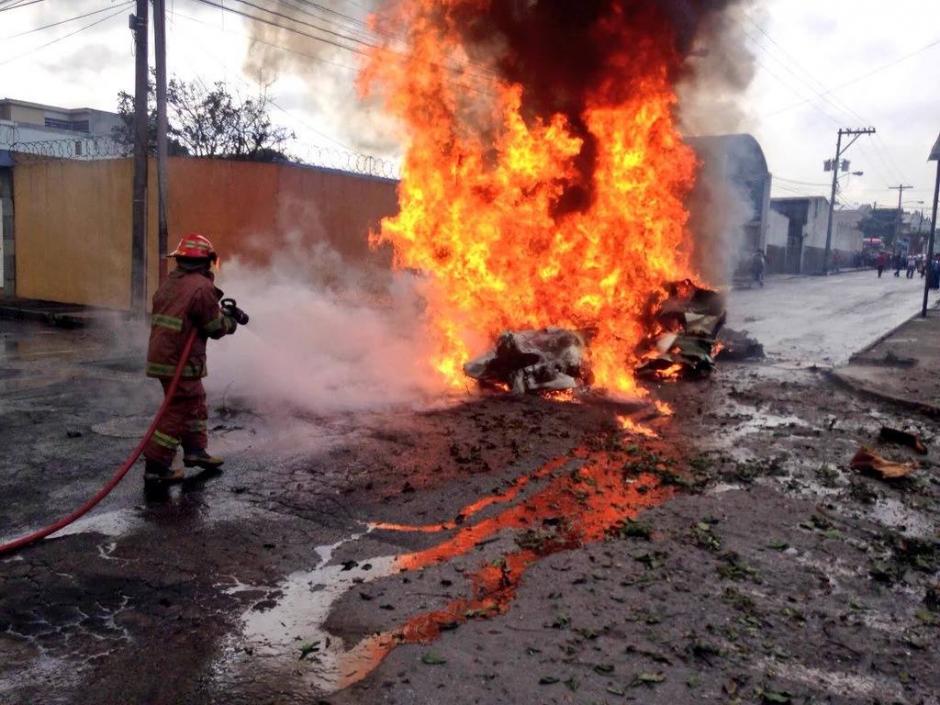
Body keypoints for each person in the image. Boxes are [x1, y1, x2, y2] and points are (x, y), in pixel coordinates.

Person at [142, 233, 239, 486]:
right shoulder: (201, 287)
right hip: (179, 361)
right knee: (177, 411)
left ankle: (196, 451)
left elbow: (188, 314)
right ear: (206, 261)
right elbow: (215, 327)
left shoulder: (171, 282)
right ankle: (156, 466)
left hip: (164, 355)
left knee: (194, 402)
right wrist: (231, 322)